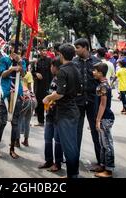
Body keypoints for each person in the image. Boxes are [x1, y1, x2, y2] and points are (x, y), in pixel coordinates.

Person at [43, 43, 81, 179]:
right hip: (73, 109)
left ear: (61, 55)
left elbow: (59, 93)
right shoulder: (76, 68)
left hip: (65, 112)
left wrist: (47, 98)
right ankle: (73, 173)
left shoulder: (63, 71)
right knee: (72, 145)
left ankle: (73, 175)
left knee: (69, 146)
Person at [0, 42, 26, 160]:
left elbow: (23, 74)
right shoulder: (4, 60)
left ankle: (12, 149)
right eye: (15, 47)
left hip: (18, 95)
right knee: (3, 122)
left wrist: (20, 63)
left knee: (15, 123)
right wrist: (11, 69)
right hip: (6, 94)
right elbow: (2, 75)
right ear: (10, 48)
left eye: (20, 48)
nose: (17, 49)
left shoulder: (23, 61)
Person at [73, 38, 101, 171]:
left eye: (77, 47)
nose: (75, 50)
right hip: (77, 102)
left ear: (85, 47)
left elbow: (102, 83)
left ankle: (100, 160)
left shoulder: (97, 62)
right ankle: (74, 158)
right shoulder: (73, 62)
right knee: (76, 131)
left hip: (93, 101)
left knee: (96, 130)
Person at [38, 56, 63, 172]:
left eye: (51, 66)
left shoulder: (62, 79)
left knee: (58, 140)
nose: (50, 68)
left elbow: (60, 95)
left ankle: (57, 163)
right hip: (49, 113)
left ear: (55, 67)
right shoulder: (54, 78)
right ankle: (49, 160)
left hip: (58, 114)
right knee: (47, 138)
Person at [92, 63, 115, 178]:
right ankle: (103, 165)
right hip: (103, 117)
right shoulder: (103, 84)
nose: (93, 72)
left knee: (107, 144)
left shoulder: (103, 85)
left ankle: (109, 170)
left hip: (105, 118)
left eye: (95, 70)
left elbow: (103, 104)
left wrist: (97, 120)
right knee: (102, 143)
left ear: (100, 73)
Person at [32, 47, 52, 126]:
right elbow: (33, 72)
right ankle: (41, 121)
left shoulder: (50, 61)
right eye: (42, 50)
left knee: (49, 103)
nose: (44, 52)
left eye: (45, 50)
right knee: (40, 102)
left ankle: (49, 121)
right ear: (39, 51)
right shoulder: (37, 62)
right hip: (39, 85)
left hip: (49, 84)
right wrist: (36, 74)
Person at [17, 66, 36, 148]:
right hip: (32, 98)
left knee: (19, 120)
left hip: (25, 98)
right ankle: (26, 140)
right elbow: (30, 87)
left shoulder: (16, 75)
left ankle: (16, 141)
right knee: (27, 121)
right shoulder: (28, 74)